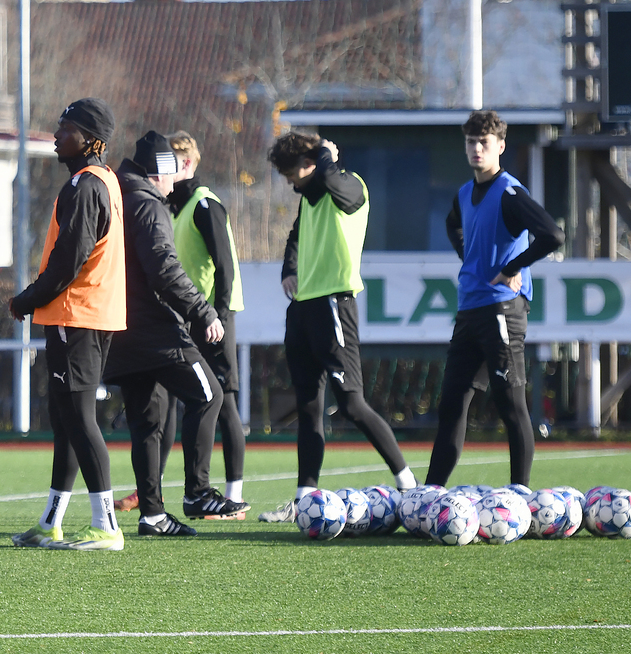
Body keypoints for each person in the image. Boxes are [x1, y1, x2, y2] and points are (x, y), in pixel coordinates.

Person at [256, 133, 415, 523]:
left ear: (312, 163)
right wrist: (289, 269)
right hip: (303, 309)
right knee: (309, 406)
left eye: (292, 172)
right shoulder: (311, 198)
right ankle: (303, 500)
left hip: (334, 306)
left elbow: (330, 181)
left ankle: (410, 486)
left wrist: (326, 155)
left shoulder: (350, 186)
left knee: (351, 404)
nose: (289, 182)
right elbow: (295, 236)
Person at [7, 98, 128, 551]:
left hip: (75, 315)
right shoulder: (102, 180)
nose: (58, 136)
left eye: (67, 129)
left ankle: (106, 526)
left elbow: (67, 262)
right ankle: (51, 521)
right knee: (67, 421)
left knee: (79, 419)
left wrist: (27, 299)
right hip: (88, 315)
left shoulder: (85, 186)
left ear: (91, 139)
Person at [423, 110, 563, 491]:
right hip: (469, 310)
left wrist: (513, 266)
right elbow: (453, 224)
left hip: (502, 308)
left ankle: (520, 494)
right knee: (452, 405)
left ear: (500, 146)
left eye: (484, 142)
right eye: (471, 142)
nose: (476, 149)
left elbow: (552, 235)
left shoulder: (509, 192)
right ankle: (430, 494)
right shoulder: (464, 193)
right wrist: (468, 256)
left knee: (510, 403)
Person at [107, 132, 222, 539]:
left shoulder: (116, 197)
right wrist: (203, 311)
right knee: (209, 395)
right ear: (157, 173)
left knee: (147, 424)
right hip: (154, 330)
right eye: (171, 176)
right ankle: (197, 493)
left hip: (119, 330)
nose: (173, 186)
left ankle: (152, 515)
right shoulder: (148, 204)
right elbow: (164, 270)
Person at [165, 130, 250, 519]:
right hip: (189, 318)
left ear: (188, 162)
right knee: (186, 402)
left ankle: (234, 496)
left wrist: (218, 315)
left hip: (213, 319)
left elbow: (225, 266)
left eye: (172, 161)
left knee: (224, 401)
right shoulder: (177, 208)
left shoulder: (204, 204)